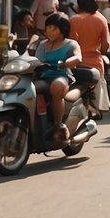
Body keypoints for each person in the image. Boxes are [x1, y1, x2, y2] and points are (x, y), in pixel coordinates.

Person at [35, 12, 83, 140]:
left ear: (63, 30)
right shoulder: (42, 44)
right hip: (43, 78)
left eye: (54, 28)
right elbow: (36, 60)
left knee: (57, 87)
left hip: (61, 76)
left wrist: (66, 63)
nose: (49, 31)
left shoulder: (71, 44)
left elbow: (78, 57)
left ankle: (58, 124)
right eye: (48, 27)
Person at [71, 0, 110, 114]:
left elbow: (69, 45)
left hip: (75, 66)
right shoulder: (101, 19)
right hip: (95, 66)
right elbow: (106, 46)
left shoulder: (73, 20)